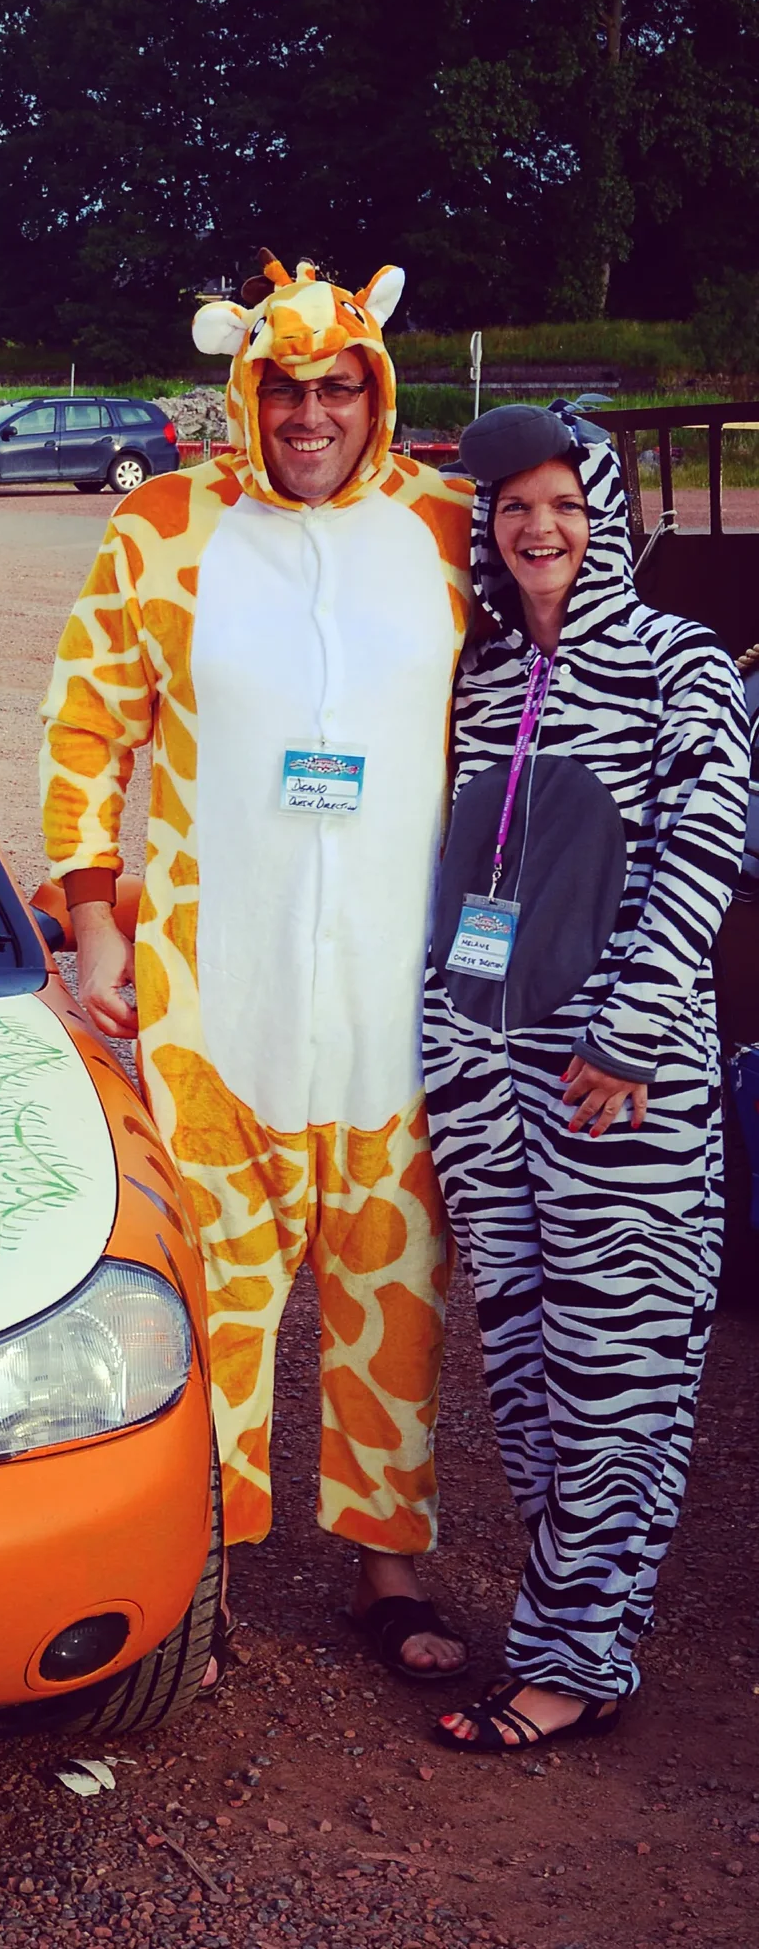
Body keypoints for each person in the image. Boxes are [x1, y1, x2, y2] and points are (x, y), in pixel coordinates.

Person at [40, 253, 474, 1684]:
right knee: (215, 1288)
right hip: (209, 983)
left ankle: (387, 1569)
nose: (307, 413)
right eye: (282, 387)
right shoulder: (164, 525)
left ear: (376, 392)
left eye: (336, 387)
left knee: (392, 1284)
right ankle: (201, 1572)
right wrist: (97, 923)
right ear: (247, 390)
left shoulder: (448, 527)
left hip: (398, 993)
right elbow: (87, 733)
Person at [420, 403, 751, 1752]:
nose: (536, 527)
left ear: (602, 513)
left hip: (617, 1084)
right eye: (511, 508)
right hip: (482, 1078)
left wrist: (626, 1032)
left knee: (622, 1376)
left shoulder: (682, 666)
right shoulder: (487, 680)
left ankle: (577, 1664)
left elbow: (706, 849)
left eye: (561, 501)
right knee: (529, 1374)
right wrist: (439, 1035)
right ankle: (569, 1631)